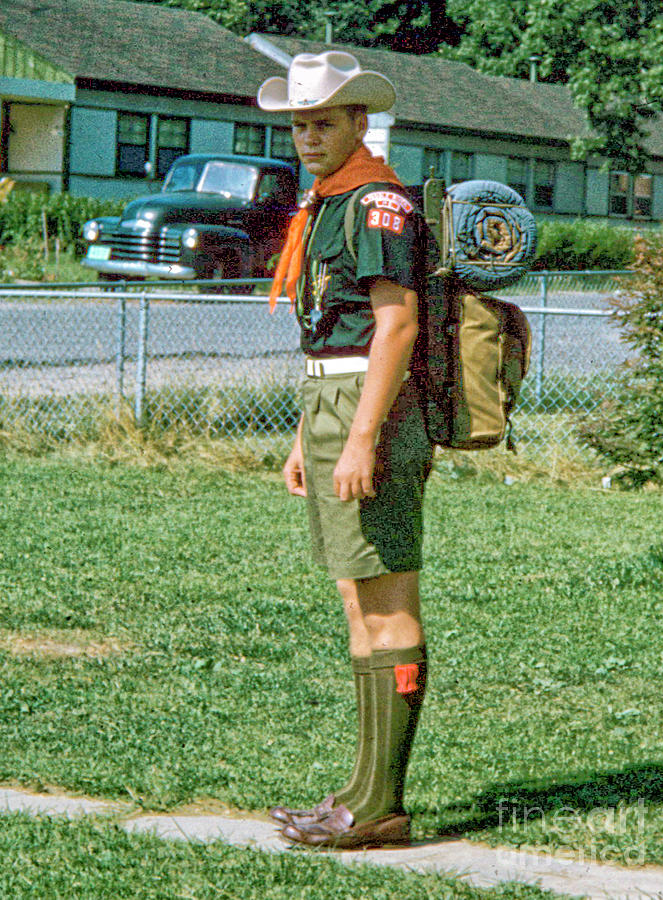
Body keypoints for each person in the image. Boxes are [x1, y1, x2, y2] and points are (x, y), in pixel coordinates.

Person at [257, 51, 434, 849]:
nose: (308, 136)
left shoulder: (378, 204)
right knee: (356, 599)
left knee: (387, 602)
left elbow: (395, 326)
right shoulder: (327, 203)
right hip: (331, 399)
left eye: (323, 121)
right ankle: (361, 794)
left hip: (374, 409)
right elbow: (331, 331)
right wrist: (307, 436)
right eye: (298, 123)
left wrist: (361, 437)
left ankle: (381, 805)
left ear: (359, 122)